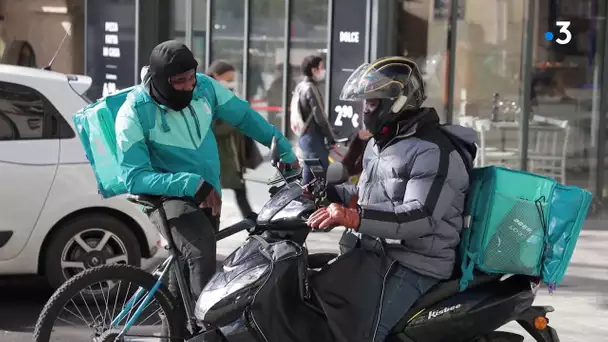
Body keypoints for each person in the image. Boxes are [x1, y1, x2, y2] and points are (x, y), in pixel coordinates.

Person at [307, 56, 477, 341]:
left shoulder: (433, 150)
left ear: (399, 102)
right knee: (316, 303)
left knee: (365, 334)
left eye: (372, 103)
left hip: (417, 262)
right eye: (364, 103)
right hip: (378, 253)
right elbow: (366, 195)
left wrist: (354, 217)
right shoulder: (381, 143)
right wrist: (325, 193)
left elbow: (419, 216)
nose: (365, 111)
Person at [115, 40, 298, 300]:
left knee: (183, 276)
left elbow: (244, 117)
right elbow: (134, 178)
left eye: (191, 77)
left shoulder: (205, 87)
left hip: (207, 191)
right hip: (166, 195)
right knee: (200, 252)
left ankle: (178, 331)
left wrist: (285, 150)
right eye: (180, 81)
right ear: (160, 80)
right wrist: (192, 184)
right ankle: (206, 329)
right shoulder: (134, 112)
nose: (190, 85)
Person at [206, 59, 260, 218]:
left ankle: (249, 219)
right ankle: (249, 219)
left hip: (229, 154)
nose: (230, 82)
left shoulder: (219, 94)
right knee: (231, 189)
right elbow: (214, 129)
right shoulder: (209, 96)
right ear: (216, 75)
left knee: (235, 189)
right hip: (221, 155)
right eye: (227, 79)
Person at [294, 55, 336, 185]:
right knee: (320, 174)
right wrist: (330, 137)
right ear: (314, 70)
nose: (324, 70)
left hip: (304, 137)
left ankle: (306, 200)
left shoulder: (300, 86)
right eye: (322, 67)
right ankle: (310, 202)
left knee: (310, 171)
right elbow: (320, 116)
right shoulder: (310, 88)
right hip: (314, 138)